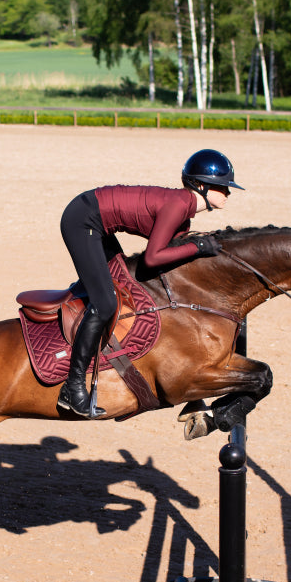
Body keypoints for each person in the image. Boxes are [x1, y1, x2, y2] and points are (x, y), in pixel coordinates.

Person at [56, 148, 243, 418]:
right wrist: (198, 247)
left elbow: (172, 257)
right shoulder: (178, 206)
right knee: (106, 303)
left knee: (122, 285)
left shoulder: (185, 214)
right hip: (82, 219)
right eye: (222, 187)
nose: (228, 193)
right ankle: (72, 389)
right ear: (200, 186)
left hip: (97, 221)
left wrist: (198, 247)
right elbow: (153, 258)